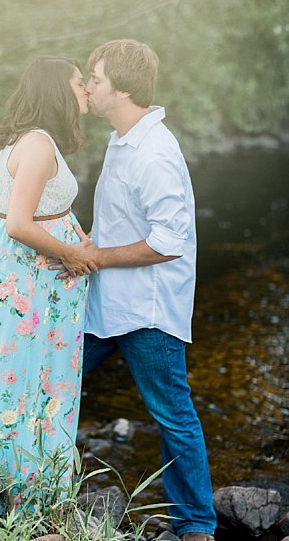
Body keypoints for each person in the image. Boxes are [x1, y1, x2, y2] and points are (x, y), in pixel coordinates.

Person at [76, 39, 216, 541]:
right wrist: (88, 243)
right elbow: (122, 221)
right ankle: (35, 494)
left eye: (96, 78)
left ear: (124, 88)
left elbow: (169, 241)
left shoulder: (154, 152)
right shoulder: (123, 138)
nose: (89, 86)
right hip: (107, 303)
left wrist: (96, 257)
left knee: (173, 414)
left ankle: (196, 526)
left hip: (148, 310)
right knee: (53, 382)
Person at [0, 56, 96, 512]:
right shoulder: (38, 145)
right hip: (33, 281)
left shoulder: (26, 139)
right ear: (57, 90)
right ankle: (23, 496)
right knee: (28, 376)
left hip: (15, 272)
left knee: (5, 370)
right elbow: (16, 221)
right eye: (78, 82)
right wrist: (71, 252)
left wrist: (70, 226)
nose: (85, 89)